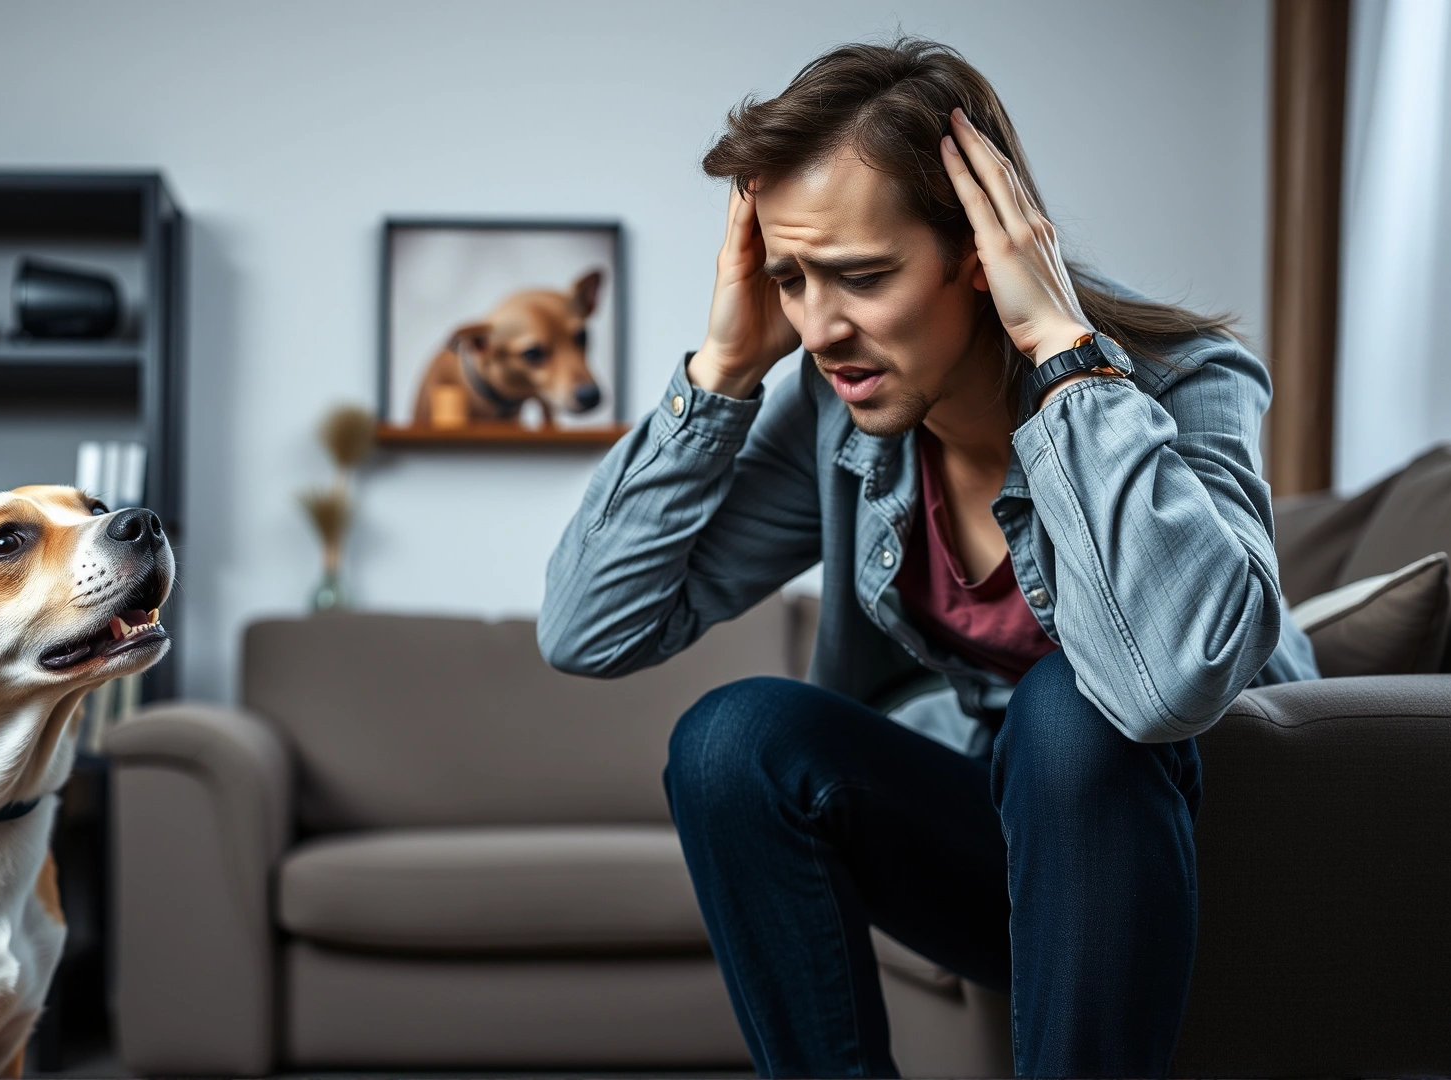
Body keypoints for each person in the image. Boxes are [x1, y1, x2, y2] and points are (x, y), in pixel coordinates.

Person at [538, 37, 1317, 1079]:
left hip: (1197, 858)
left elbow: (1169, 686)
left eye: (860, 275)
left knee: (1072, 706)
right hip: (1009, 850)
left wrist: (1067, 365)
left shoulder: (1182, 379)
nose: (819, 326)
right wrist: (720, 371)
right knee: (732, 742)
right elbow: (591, 628)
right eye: (791, 278)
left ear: (979, 252)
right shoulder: (842, 408)